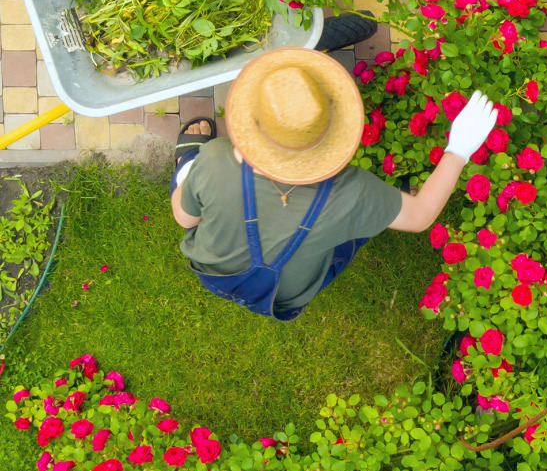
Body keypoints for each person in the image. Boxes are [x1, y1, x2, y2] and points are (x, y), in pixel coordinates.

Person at [169, 46, 496, 321]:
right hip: (286, 296)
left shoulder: (214, 159)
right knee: (355, 226)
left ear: (252, 122)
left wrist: (197, 172)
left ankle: (185, 162)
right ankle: (388, 203)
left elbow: (185, 220)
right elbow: (421, 216)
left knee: (190, 174)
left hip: (213, 272)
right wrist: (458, 150)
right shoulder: (352, 192)